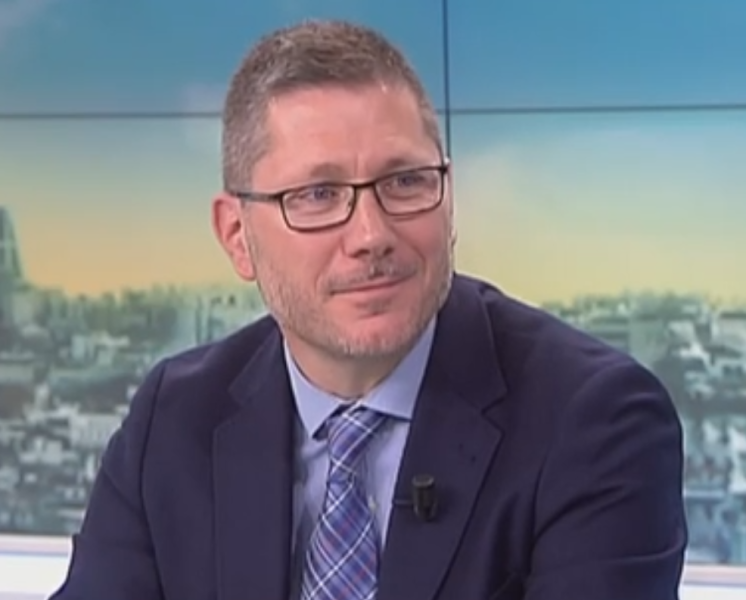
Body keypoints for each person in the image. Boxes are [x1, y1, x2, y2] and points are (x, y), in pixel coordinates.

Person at [49, 19, 687, 600]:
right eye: (318, 194)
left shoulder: (595, 422)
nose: (371, 235)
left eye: (405, 182)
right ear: (237, 235)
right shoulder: (176, 418)